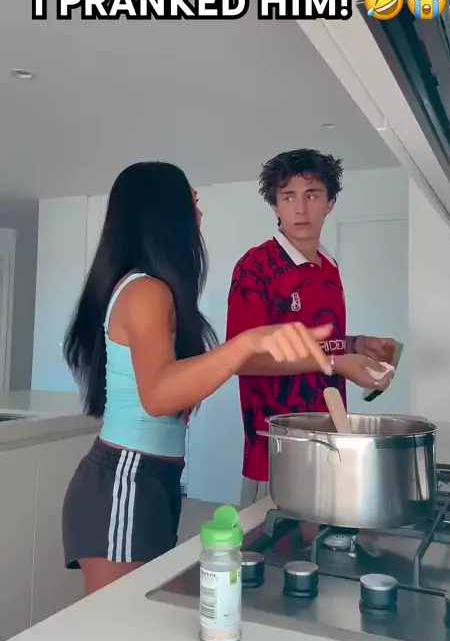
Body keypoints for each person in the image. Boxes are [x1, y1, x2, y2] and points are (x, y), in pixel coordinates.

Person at [62, 161, 333, 596]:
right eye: (192, 201)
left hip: (152, 479)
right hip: (125, 479)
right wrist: (245, 343)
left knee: (138, 619)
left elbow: (171, 386)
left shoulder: (155, 290)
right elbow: (158, 395)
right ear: (165, 212)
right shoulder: (145, 291)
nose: (200, 212)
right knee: (118, 625)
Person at [226, 148, 396, 506]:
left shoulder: (329, 267)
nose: (300, 209)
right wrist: (335, 363)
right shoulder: (255, 266)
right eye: (288, 196)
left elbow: (314, 341)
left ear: (330, 203)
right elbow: (241, 358)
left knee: (326, 539)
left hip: (332, 443)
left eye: (312, 195)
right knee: (269, 540)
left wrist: (356, 344)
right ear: (275, 206)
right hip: (274, 450)